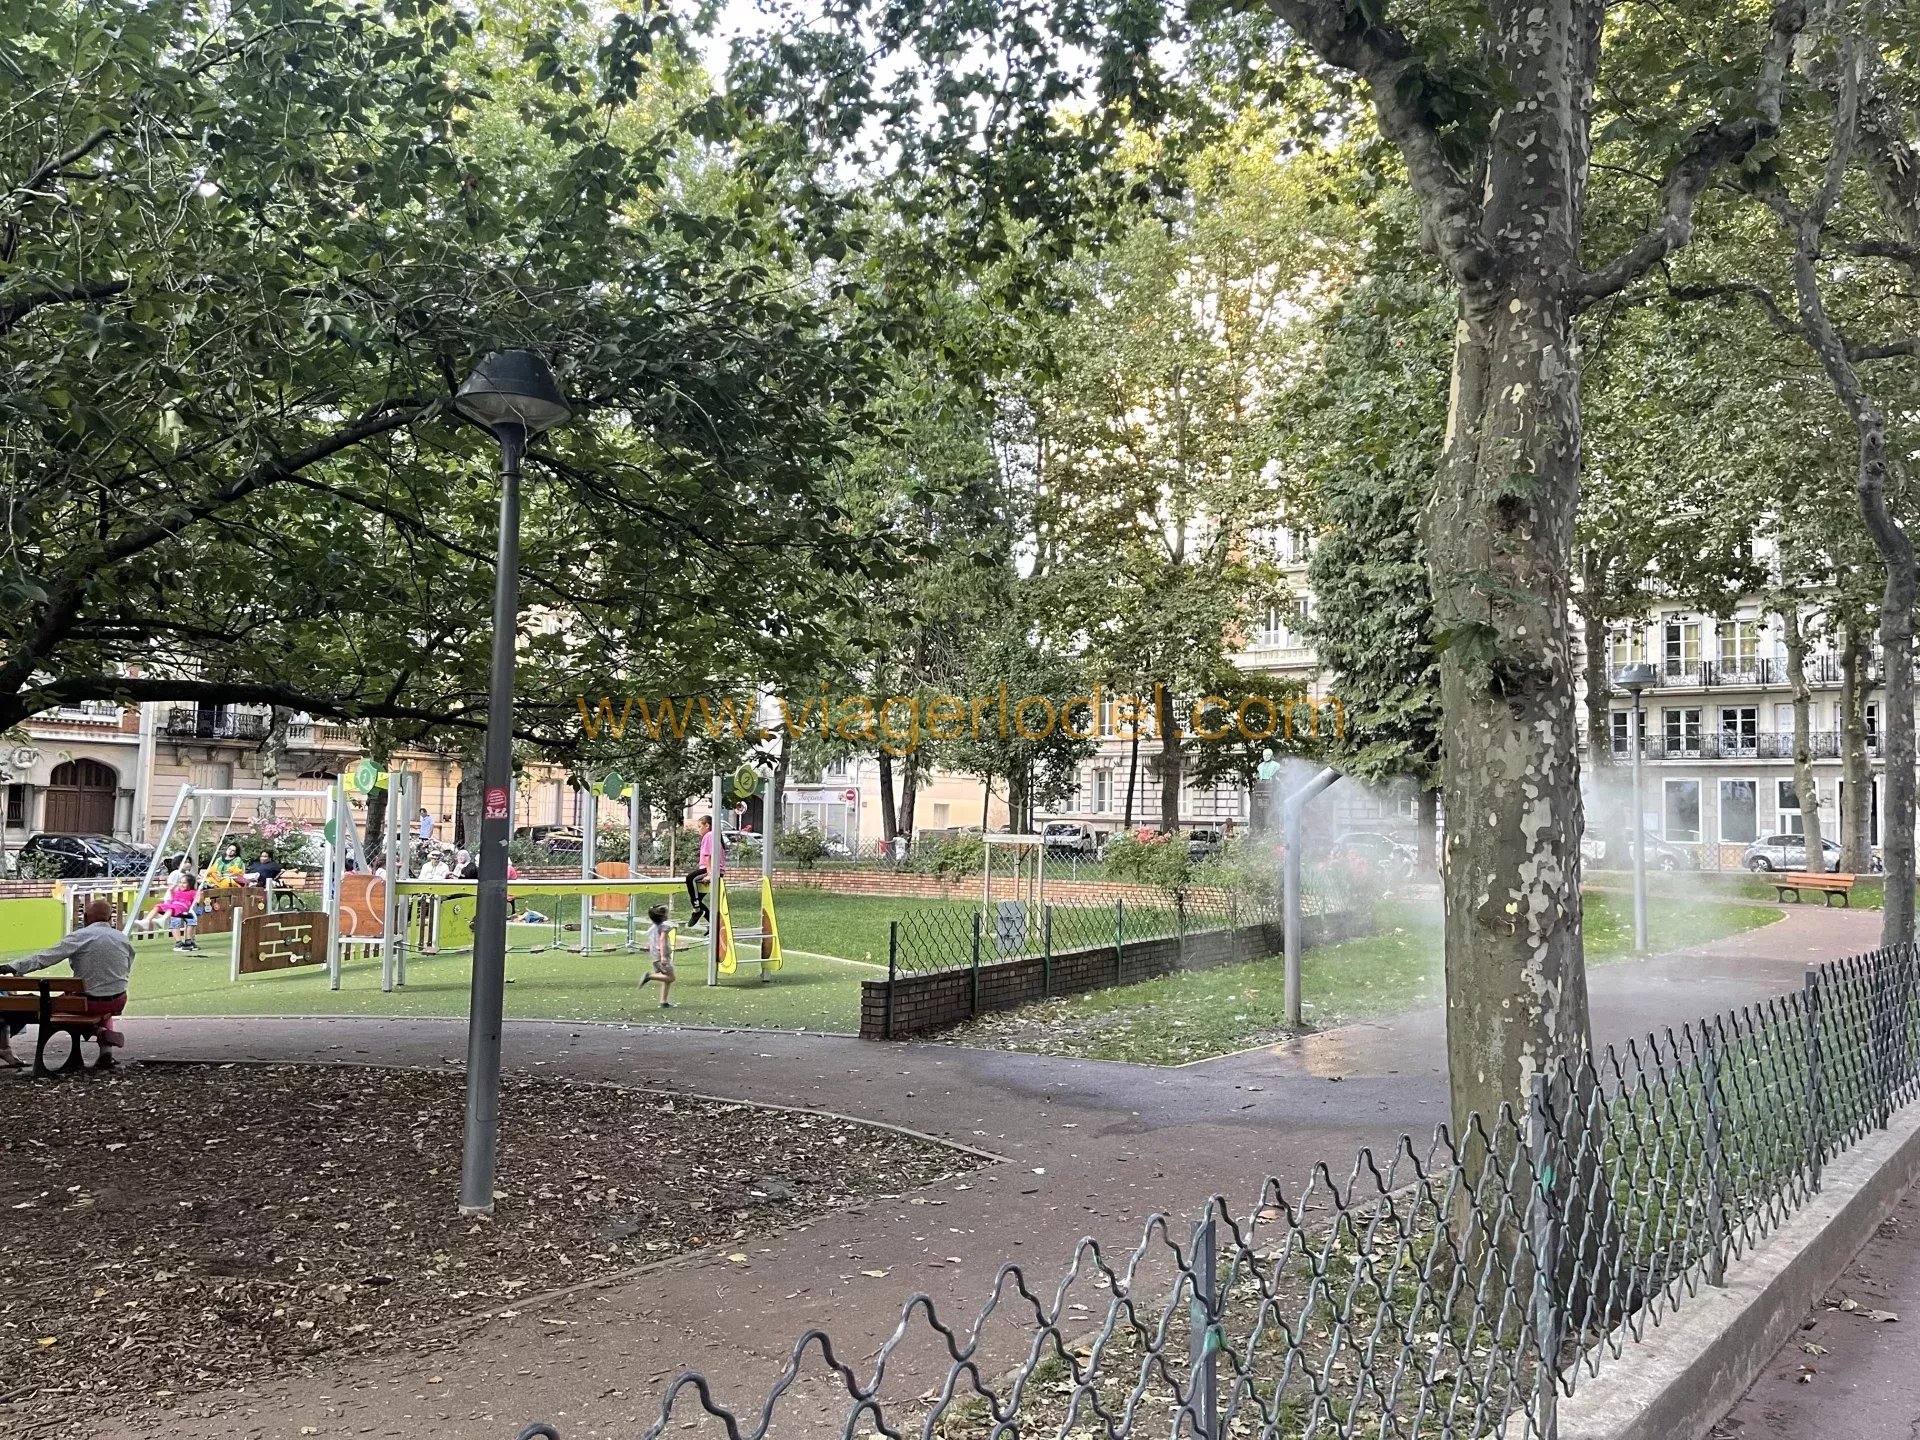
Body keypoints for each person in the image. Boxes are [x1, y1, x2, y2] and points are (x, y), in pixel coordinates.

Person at [2, 899, 136, 1069]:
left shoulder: (80, 937)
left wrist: (13, 967)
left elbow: (45, 958)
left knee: (66, 1003)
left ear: (85, 918)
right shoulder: (122, 939)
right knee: (100, 1002)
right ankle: (105, 1051)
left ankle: (99, 1032)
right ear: (110, 919)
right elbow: (126, 967)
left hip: (84, 1004)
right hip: (117, 1000)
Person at [684, 816, 723, 930]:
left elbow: (707, 856)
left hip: (710, 869)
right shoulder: (716, 835)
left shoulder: (708, 835)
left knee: (690, 878)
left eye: (699, 826)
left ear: (707, 825)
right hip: (715, 869)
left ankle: (696, 910)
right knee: (697, 900)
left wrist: (710, 874)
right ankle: (714, 926)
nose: (698, 830)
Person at [156, 867, 202, 952]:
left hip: (185, 909)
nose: (181, 885)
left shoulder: (192, 891)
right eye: (180, 882)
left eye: (184, 883)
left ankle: (188, 941)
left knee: (192, 919)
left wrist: (198, 896)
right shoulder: (177, 889)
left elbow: (197, 901)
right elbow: (172, 898)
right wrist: (171, 890)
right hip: (175, 908)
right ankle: (178, 943)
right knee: (175, 921)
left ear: (190, 884)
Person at [638, 903, 676, 1007]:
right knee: (671, 978)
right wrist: (663, 956)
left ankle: (664, 1001)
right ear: (663, 916)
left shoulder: (652, 928)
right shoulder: (664, 927)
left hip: (654, 955)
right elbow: (662, 941)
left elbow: (651, 940)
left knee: (666, 977)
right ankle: (649, 976)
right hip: (661, 955)